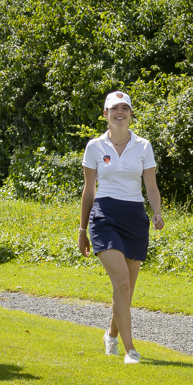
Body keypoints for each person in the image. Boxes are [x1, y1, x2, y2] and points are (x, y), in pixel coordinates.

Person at [78, 91, 164, 365]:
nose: (120, 112)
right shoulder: (94, 147)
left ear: (130, 113)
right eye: (114, 108)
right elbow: (88, 191)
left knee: (126, 288)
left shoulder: (143, 145)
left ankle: (111, 335)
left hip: (135, 217)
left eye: (125, 108)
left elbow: (150, 186)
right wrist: (82, 230)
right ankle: (130, 350)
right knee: (122, 282)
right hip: (104, 216)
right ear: (105, 114)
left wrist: (157, 212)